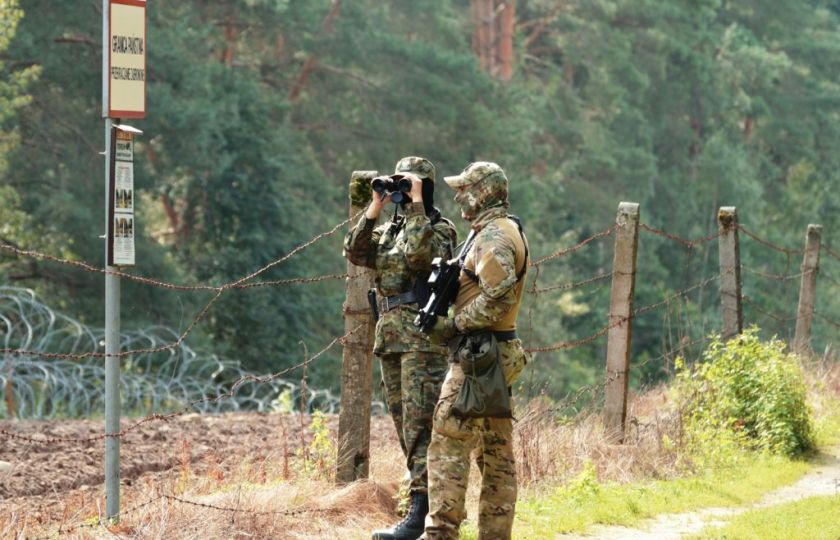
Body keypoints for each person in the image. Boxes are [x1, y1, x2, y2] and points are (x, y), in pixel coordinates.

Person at [344, 157, 457, 540]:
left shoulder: (438, 227)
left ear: (425, 186)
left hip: (422, 340)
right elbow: (356, 252)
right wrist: (375, 205)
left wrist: (416, 204)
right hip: (391, 337)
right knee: (403, 427)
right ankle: (422, 509)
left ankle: (422, 514)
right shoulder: (390, 228)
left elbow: (420, 258)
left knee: (421, 426)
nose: (402, 192)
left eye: (410, 184)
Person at [424, 162, 530, 540]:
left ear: (482, 192)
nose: (458, 197)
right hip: (494, 353)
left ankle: (440, 533)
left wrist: (454, 324)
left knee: (448, 438)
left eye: (465, 189)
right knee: (495, 450)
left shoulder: (494, 237)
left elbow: (497, 299)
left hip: (480, 355)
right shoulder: (496, 230)